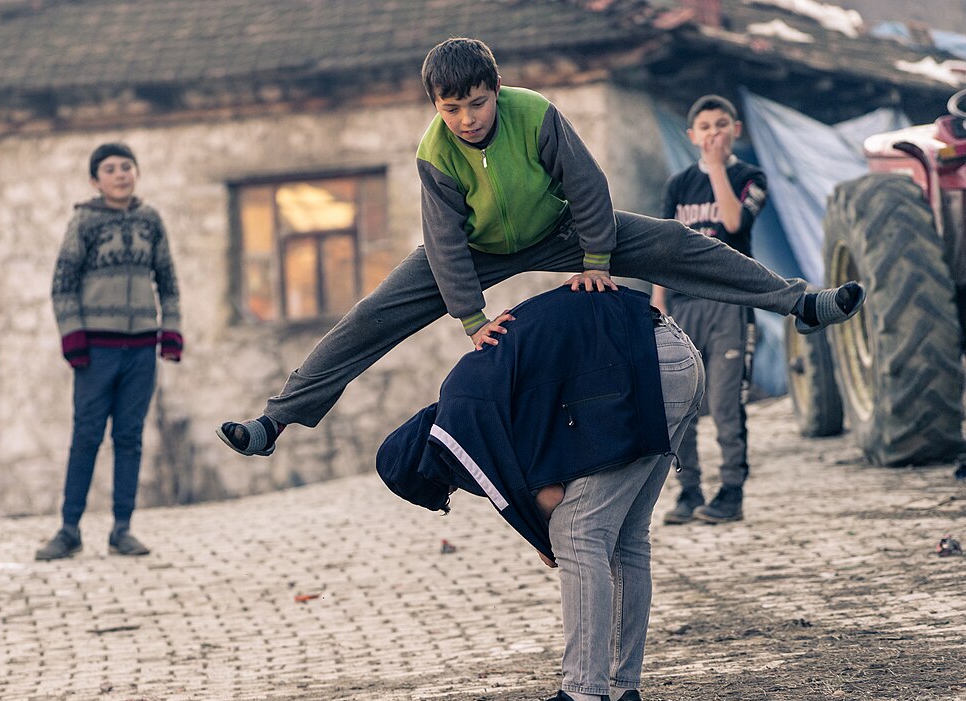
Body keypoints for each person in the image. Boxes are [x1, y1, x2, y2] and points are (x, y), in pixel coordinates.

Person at [217, 37, 861, 458]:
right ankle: (274, 422)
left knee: (675, 241)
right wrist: (472, 319)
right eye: (452, 108)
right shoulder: (434, 153)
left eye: (477, 102)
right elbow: (442, 243)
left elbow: (587, 187)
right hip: (476, 252)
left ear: (495, 91)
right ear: (435, 107)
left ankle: (801, 303)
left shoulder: (536, 114)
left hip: (561, 230)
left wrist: (596, 262)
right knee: (370, 315)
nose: (468, 119)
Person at [376, 286, 704, 701]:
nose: (455, 486)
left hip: (645, 365)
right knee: (624, 537)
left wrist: (546, 539)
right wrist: (540, 535)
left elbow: (537, 494)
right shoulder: (474, 390)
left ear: (429, 466)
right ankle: (618, 692)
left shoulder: (466, 411)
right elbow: (540, 480)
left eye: (445, 485)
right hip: (671, 353)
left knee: (579, 534)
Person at [37, 143, 183, 561]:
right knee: (86, 436)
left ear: (136, 173)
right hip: (96, 350)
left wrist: (170, 331)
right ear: (94, 180)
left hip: (141, 349)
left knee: (130, 438)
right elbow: (62, 284)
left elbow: (168, 282)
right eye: (110, 169)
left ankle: (122, 528)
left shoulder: (150, 220)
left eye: (126, 167)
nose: (120, 174)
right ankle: (69, 529)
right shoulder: (83, 222)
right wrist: (73, 337)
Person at [652, 95, 764, 525]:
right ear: (692, 136)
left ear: (735, 129)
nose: (713, 133)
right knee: (681, 404)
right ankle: (689, 489)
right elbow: (662, 250)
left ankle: (731, 490)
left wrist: (718, 168)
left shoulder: (750, 177)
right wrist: (658, 302)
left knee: (725, 402)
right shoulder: (678, 186)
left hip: (731, 306)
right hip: (683, 307)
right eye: (705, 126)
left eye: (722, 124)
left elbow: (734, 224)